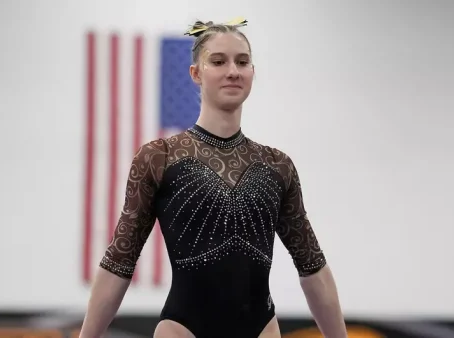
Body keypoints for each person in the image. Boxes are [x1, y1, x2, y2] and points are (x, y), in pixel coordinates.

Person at [79, 17, 348, 338]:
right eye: (218, 61)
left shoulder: (277, 165)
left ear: (252, 72)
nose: (233, 70)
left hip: (260, 329)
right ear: (196, 73)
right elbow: (119, 262)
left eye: (242, 61)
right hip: (184, 329)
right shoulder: (160, 157)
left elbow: (312, 266)